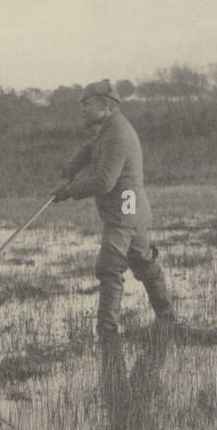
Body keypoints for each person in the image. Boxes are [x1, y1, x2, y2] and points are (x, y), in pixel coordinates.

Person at [53, 80, 175, 339]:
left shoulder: (117, 134)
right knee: (143, 262)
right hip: (131, 210)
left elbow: (103, 181)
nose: (82, 111)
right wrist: (69, 169)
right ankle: (167, 317)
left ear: (105, 106)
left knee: (109, 269)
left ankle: (107, 333)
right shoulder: (108, 128)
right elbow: (90, 150)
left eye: (87, 105)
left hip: (124, 210)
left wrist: (68, 191)